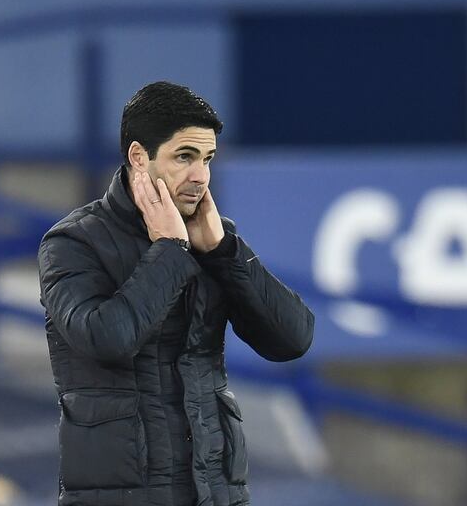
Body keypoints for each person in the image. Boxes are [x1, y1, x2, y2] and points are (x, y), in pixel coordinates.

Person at [39, 81, 315, 506]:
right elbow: (106, 338)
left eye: (207, 159)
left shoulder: (214, 240)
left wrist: (225, 253)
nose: (201, 175)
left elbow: (292, 339)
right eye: (184, 157)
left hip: (216, 494)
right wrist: (170, 250)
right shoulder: (72, 244)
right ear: (138, 157)